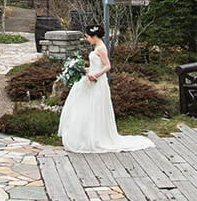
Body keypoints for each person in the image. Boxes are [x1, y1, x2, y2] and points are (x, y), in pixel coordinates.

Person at [57, 24, 153, 153]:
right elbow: (96, 64)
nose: (87, 40)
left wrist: (96, 74)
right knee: (83, 106)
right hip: (90, 78)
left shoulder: (101, 48)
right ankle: (83, 136)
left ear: (93, 36)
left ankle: (95, 138)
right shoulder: (96, 47)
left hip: (97, 82)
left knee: (94, 108)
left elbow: (107, 66)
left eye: (87, 37)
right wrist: (83, 69)